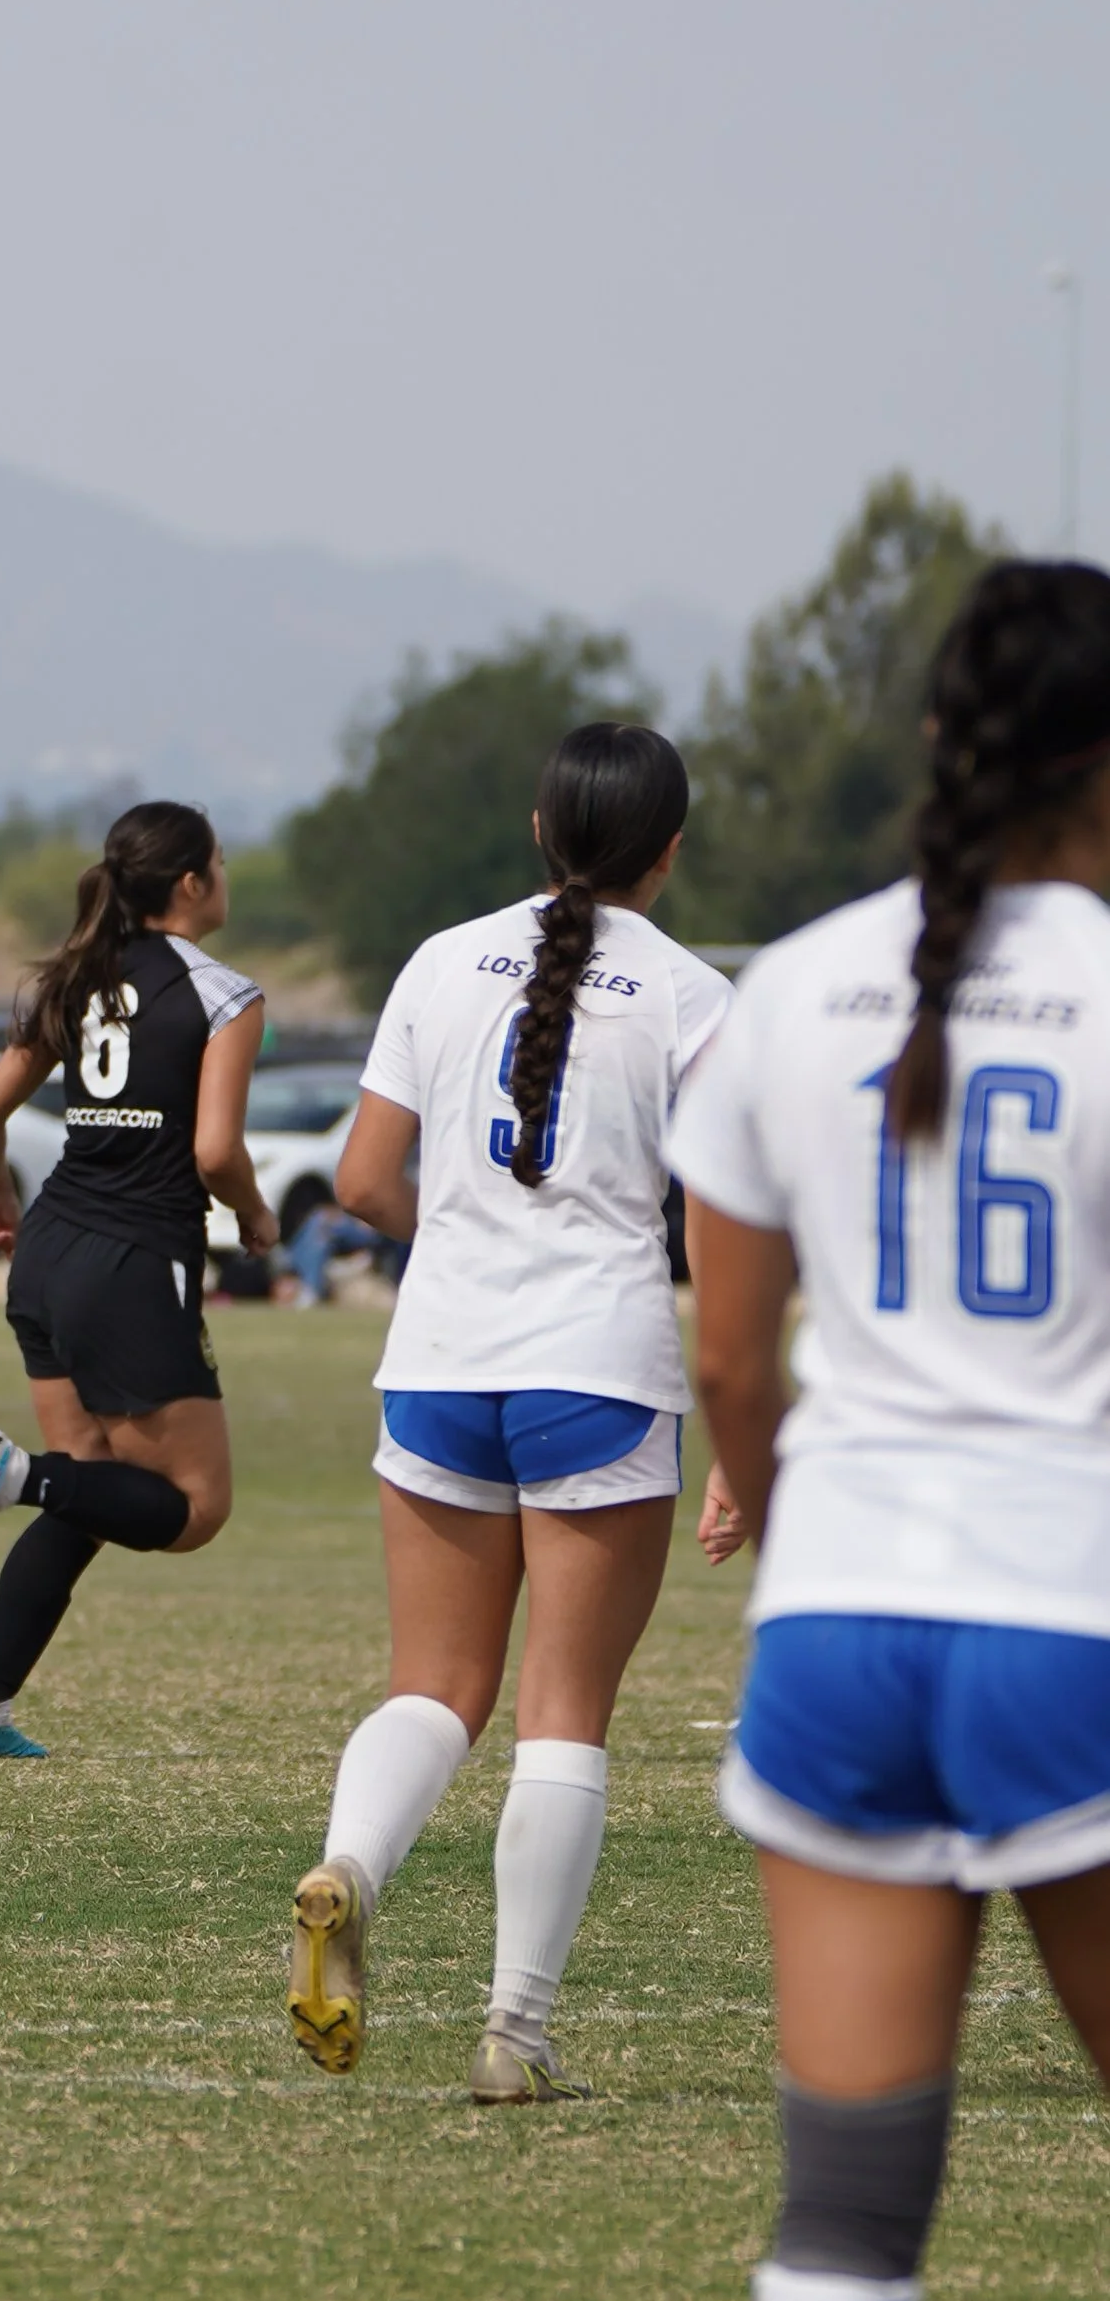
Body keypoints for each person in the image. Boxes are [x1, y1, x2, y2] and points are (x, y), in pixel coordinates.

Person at [671, 555, 1110, 2301]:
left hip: (837, 1631)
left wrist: (772, 1491)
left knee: (848, 2207)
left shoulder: (801, 986)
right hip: (1076, 1626)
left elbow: (730, 1351)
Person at [287, 725, 732, 2097]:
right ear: (669, 849)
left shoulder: (438, 959)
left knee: (437, 1687)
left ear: (541, 824)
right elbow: (723, 1251)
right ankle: (514, 2034)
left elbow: (361, 1183)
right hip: (596, 1370)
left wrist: (466, 1246)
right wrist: (743, 1444)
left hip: (437, 1359)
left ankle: (351, 1864)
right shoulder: (698, 997)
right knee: (563, 1714)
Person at [0, 800, 279, 1758]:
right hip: (131, 1265)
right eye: (221, 860)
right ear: (193, 883)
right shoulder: (226, 996)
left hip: (47, 1251)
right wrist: (253, 1210)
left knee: (89, 1492)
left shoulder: (74, 976)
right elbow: (213, 1151)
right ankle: (13, 1472)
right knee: (193, 1510)